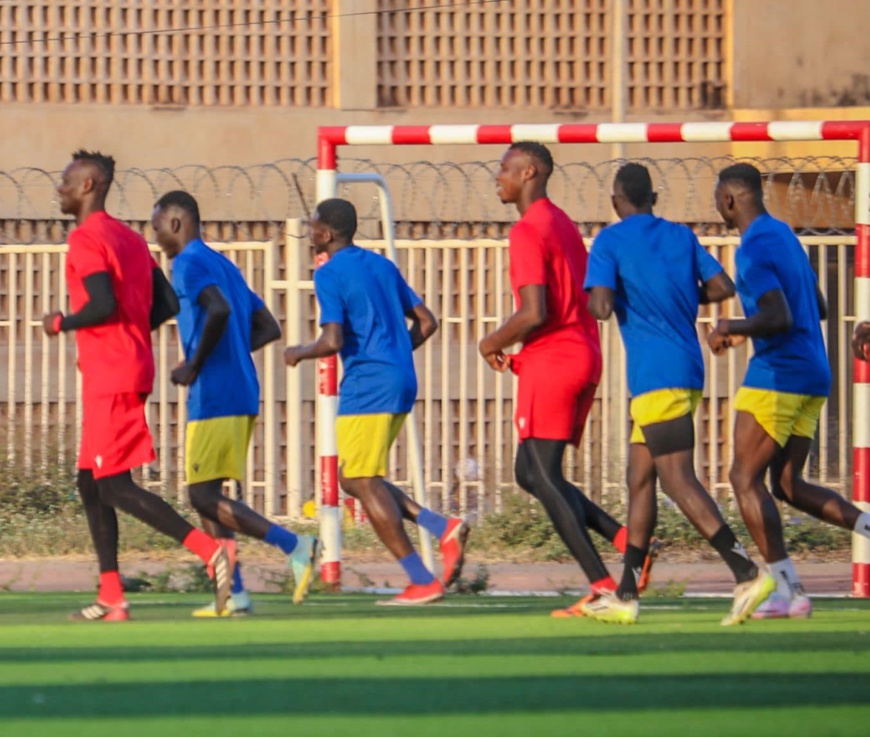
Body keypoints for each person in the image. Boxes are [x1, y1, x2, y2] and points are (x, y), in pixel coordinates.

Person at [43, 151, 232, 621]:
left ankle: (209, 550)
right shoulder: (128, 237)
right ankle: (112, 595)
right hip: (125, 367)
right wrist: (128, 337)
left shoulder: (86, 238)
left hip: (111, 375)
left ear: (88, 186)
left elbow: (102, 304)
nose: (59, 188)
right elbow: (166, 302)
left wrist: (61, 323)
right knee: (90, 483)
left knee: (112, 485)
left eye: (66, 180)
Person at [582, 163, 772, 626]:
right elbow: (722, 287)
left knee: (676, 479)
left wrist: (592, 291)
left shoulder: (610, 241)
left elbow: (601, 307)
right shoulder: (681, 236)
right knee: (639, 478)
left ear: (615, 201)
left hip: (655, 374)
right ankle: (626, 595)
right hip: (687, 367)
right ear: (653, 197)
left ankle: (746, 571)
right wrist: (678, 293)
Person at [479, 142, 657, 618]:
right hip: (582, 353)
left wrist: (490, 342)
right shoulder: (562, 222)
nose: (498, 176)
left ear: (529, 172)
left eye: (505, 168)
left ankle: (604, 587)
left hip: (553, 360)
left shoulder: (527, 229)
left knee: (543, 473)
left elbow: (534, 312)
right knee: (530, 472)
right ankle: (627, 541)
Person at [284, 198, 468, 605]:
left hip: (368, 386)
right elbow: (427, 322)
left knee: (363, 481)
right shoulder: (382, 265)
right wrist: (395, 355)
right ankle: (441, 527)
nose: (309, 233)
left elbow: (332, 340)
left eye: (312, 227)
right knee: (351, 479)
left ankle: (421, 579)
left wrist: (298, 351)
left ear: (325, 234)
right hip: (401, 379)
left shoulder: (329, 274)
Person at [709, 162, 870, 618]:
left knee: (743, 479)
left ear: (729, 199)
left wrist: (732, 326)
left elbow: (778, 316)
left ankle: (788, 590)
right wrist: (752, 327)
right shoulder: (783, 234)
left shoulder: (753, 248)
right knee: (786, 484)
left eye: (717, 198)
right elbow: (817, 305)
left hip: (778, 376)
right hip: (814, 372)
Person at [151, 190, 319, 616]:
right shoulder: (224, 264)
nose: (156, 238)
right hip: (242, 390)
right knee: (209, 494)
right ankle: (233, 593)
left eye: (157, 228)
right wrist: (227, 354)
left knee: (201, 497)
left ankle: (294, 545)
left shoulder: (187, 263)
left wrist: (196, 363)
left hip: (215, 394)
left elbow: (219, 310)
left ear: (175, 223)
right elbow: (268, 327)